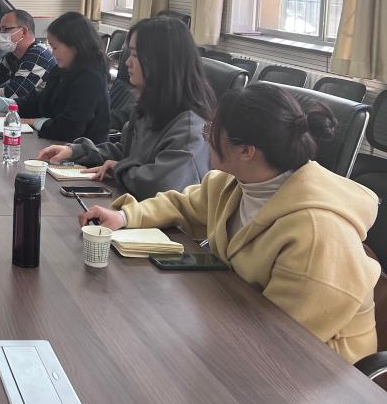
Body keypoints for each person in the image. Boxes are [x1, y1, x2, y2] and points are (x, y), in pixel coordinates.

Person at [78, 84, 380, 364]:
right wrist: (124, 217)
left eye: (212, 131)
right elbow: (181, 204)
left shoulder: (316, 233)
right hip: (245, 325)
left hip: (319, 371)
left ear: (246, 151)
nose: (205, 137)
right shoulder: (235, 183)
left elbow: (284, 340)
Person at [39, 16, 214, 198]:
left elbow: (162, 185)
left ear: (161, 62)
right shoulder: (150, 107)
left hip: (158, 215)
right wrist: (76, 151)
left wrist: (119, 169)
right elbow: (126, 152)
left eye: (135, 55)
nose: (127, 62)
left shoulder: (189, 127)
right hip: (133, 205)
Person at [0, 11, 109, 142]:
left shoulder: (91, 78)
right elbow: (39, 101)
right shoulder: (63, 69)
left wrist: (33, 122)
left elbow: (70, 128)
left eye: (55, 48)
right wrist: (1, 103)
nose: (52, 54)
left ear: (75, 46)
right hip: (56, 143)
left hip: (83, 150)